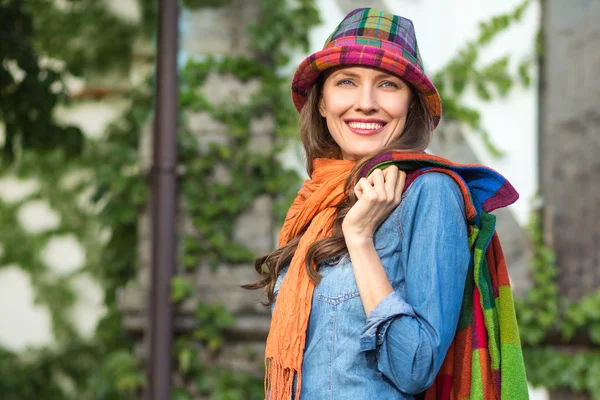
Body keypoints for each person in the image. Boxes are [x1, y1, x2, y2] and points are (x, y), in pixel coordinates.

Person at [244, 8, 529, 400]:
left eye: (387, 85)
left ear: (410, 105)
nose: (365, 103)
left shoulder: (430, 193)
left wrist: (360, 240)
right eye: (346, 82)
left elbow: (416, 367)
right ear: (322, 102)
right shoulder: (316, 205)